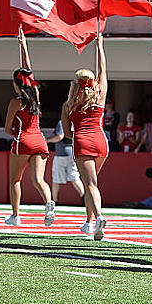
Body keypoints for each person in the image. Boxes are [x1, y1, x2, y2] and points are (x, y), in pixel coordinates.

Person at [3, 29, 55, 227]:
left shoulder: (15, 102)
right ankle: (48, 203)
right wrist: (23, 46)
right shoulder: (36, 94)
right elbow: (29, 71)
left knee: (15, 180)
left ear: (16, 84)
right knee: (38, 180)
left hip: (23, 139)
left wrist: (15, 135)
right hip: (40, 140)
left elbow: (7, 128)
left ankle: (15, 216)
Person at [61, 33, 109, 240]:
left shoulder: (69, 105)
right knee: (93, 182)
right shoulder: (99, 98)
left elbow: (67, 133)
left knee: (90, 184)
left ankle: (98, 218)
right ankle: (89, 222)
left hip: (82, 141)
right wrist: (100, 47)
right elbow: (103, 71)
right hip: (101, 141)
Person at [48, 120, 85, 207]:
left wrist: (47, 140)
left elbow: (60, 136)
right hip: (72, 152)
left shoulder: (62, 122)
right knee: (74, 177)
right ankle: (84, 197)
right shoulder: (76, 122)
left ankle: (55, 201)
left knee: (56, 179)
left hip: (61, 153)